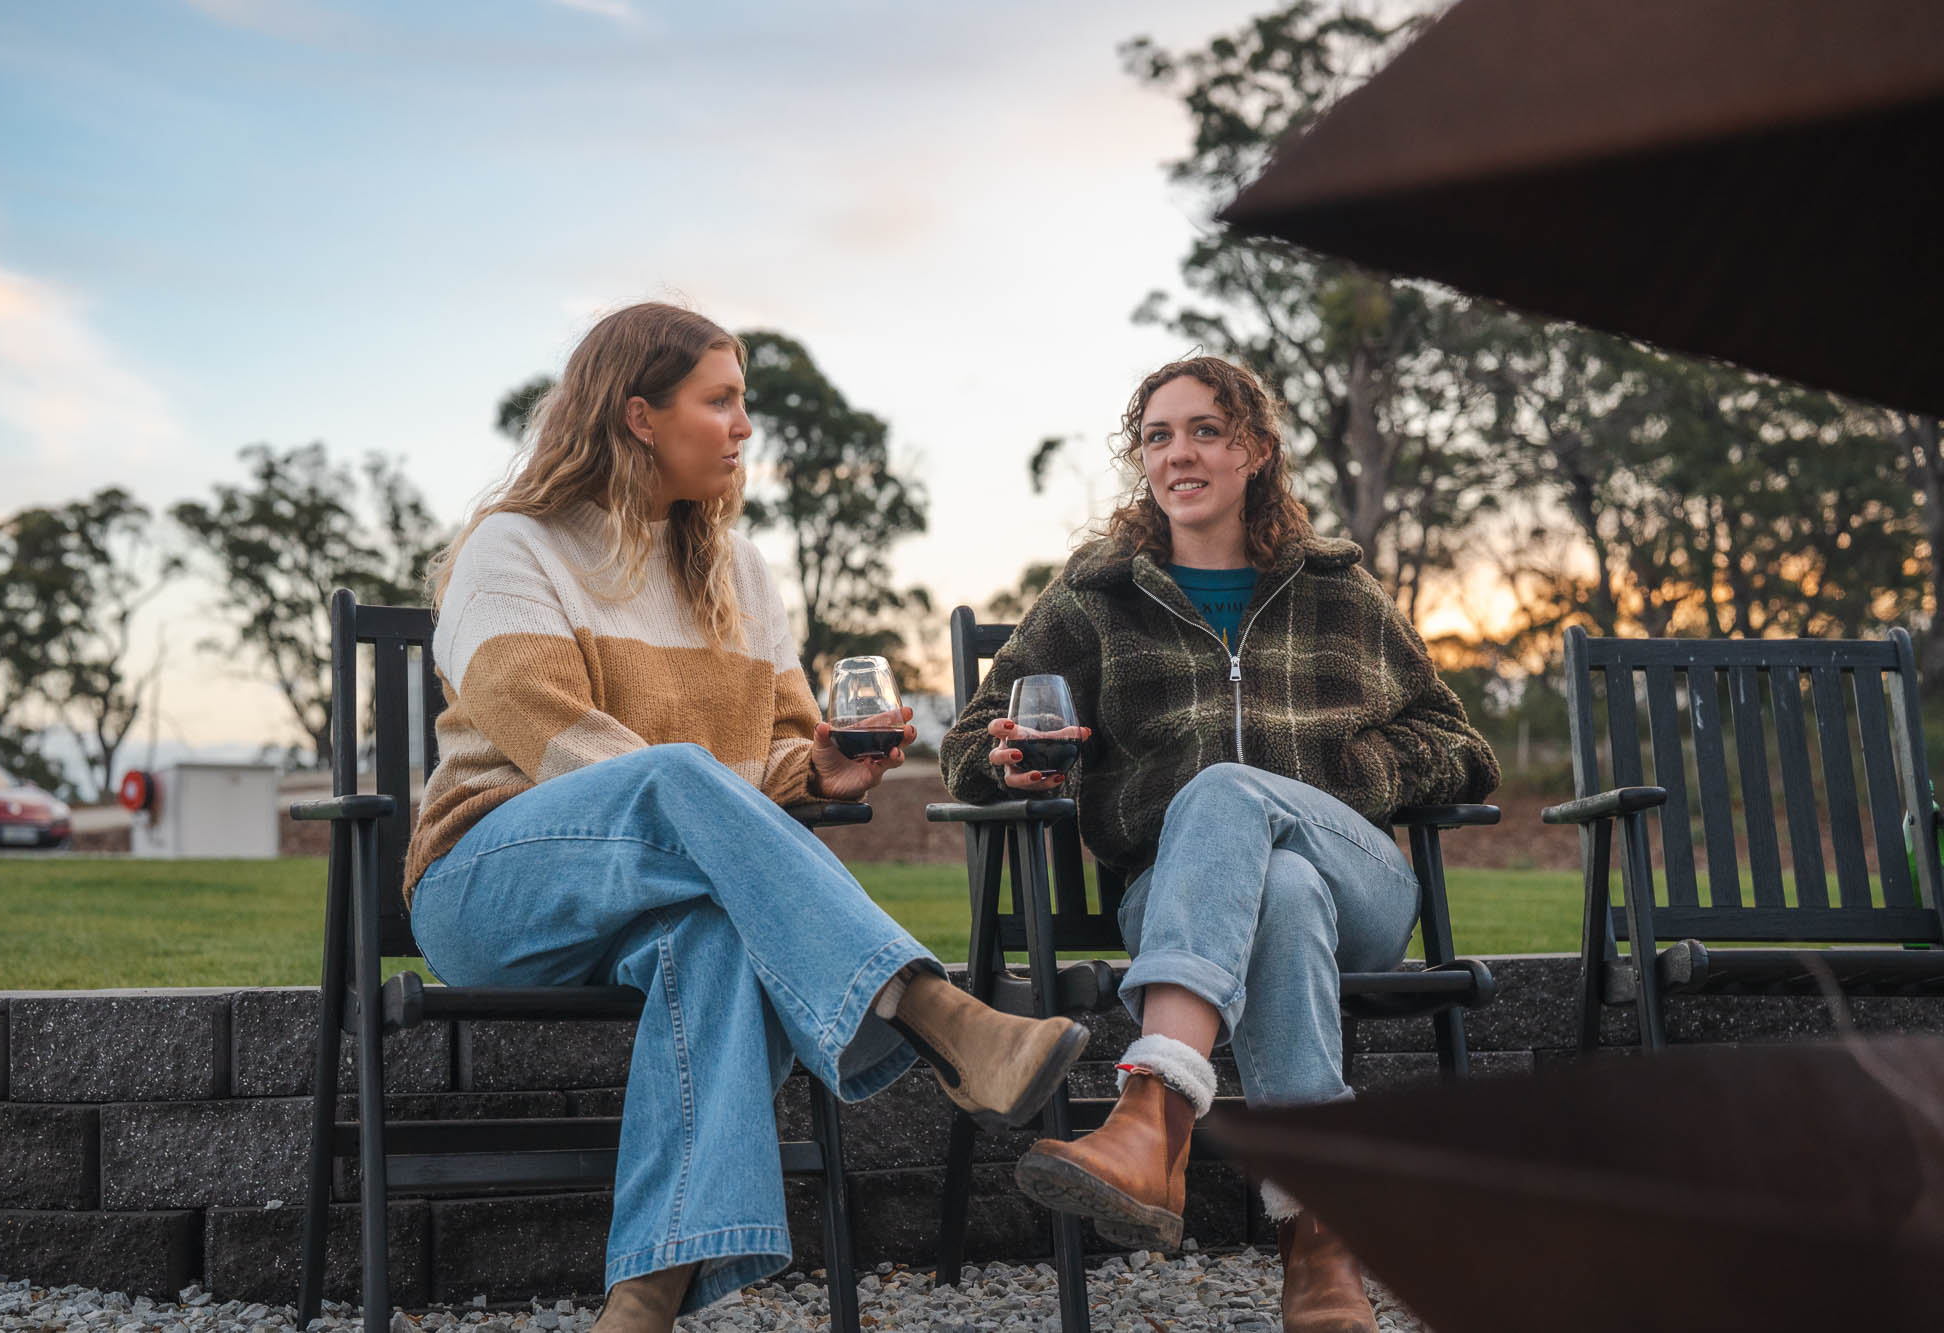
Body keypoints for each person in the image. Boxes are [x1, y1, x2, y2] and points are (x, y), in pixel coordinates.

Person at [406, 302, 1089, 1333]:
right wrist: (721, 795)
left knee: (720, 938)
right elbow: (556, 745)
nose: (743, 426)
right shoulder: (514, 548)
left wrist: (817, 768)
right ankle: (935, 1012)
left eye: (743, 403)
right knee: (672, 782)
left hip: (665, 887)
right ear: (638, 415)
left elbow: (774, 746)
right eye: (718, 401)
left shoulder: (739, 573)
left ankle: (640, 1301)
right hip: (496, 882)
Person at [939, 356, 1499, 1333]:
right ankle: (1318, 1243)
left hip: (1360, 885)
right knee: (1275, 891)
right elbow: (969, 738)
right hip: (1172, 897)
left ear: (1253, 450)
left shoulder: (1338, 593)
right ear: (1140, 459)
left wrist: (1335, 780)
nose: (1178, 452)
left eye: (1203, 429)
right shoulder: (1093, 599)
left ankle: (1151, 1115)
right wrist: (1011, 765)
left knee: (1245, 806)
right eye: (1157, 435)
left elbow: (1460, 746)